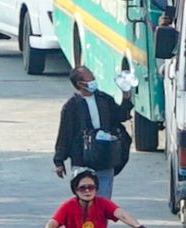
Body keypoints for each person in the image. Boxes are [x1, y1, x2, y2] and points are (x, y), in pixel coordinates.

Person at [53, 67, 129, 197]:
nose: (93, 79)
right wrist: (59, 161)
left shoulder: (104, 99)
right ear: (80, 84)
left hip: (105, 157)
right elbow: (65, 134)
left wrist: (126, 97)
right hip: (82, 160)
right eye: (90, 77)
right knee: (86, 201)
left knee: (104, 201)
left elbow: (121, 116)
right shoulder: (71, 106)